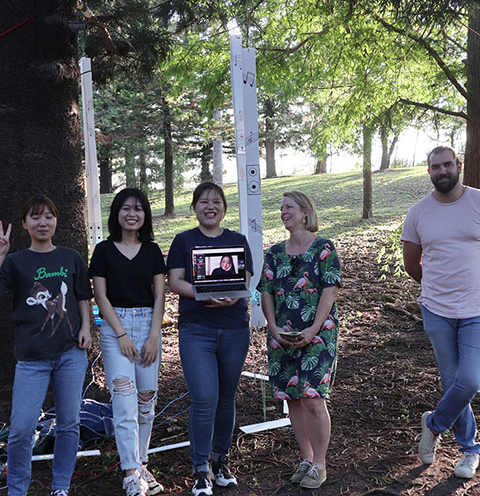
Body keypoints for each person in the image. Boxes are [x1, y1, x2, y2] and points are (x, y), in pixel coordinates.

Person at [402, 146, 480, 479]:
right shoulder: (418, 213)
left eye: (447, 164)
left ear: (458, 166)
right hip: (437, 310)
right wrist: (438, 287)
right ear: (428, 171)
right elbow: (411, 263)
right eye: (435, 167)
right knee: (451, 382)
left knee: (470, 380)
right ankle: (470, 449)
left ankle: (434, 423)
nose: (442, 171)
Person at [0, 195, 92, 496]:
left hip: (70, 354)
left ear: (56, 221)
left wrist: (86, 330)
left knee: (68, 424)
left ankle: (60, 487)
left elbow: (81, 296)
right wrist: (0, 255)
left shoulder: (70, 257)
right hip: (31, 359)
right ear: (25, 224)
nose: (43, 222)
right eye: (35, 217)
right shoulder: (15, 262)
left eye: (49, 216)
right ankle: (16, 490)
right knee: (20, 431)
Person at [167, 182, 253, 496]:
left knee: (226, 398)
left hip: (233, 328)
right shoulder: (183, 241)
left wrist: (231, 297)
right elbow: (175, 282)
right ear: (195, 207)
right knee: (204, 398)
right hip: (196, 329)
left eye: (216, 201)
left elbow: (244, 280)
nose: (210, 206)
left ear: (224, 208)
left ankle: (221, 461)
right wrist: (206, 293)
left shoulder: (237, 240)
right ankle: (200, 468)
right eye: (203, 202)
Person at [257, 190, 341, 490]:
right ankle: (306, 459)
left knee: (313, 398)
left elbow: (330, 290)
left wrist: (314, 329)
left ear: (305, 212)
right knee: (292, 397)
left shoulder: (324, 248)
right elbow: (265, 291)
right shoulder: (275, 252)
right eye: (281, 208)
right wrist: (273, 327)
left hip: (317, 334)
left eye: (288, 207)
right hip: (282, 334)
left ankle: (320, 463)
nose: (283, 212)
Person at [89, 188, 166, 496]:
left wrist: (153, 336)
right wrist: (120, 334)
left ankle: (141, 460)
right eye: (126, 209)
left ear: (145, 215)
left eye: (138, 209)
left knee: (146, 401)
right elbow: (100, 296)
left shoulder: (152, 250)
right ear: (117, 214)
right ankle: (130, 473)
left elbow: (160, 294)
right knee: (124, 401)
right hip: (114, 328)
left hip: (148, 325)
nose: (132, 214)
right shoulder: (104, 250)